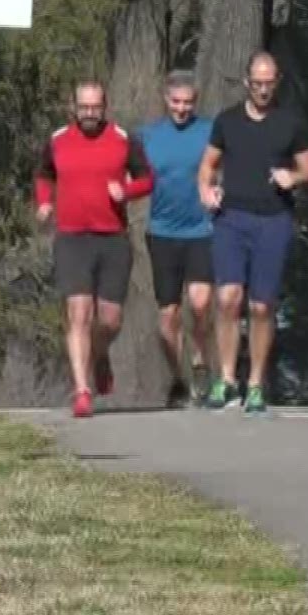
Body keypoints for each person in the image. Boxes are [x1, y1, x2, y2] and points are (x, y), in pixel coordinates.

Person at [196, 51, 308, 415]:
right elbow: (207, 166)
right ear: (247, 82)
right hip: (231, 218)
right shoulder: (227, 121)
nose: (263, 90)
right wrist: (206, 189)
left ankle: (256, 384)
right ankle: (227, 379)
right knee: (228, 298)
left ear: (276, 82)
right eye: (257, 83)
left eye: (269, 83)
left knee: (262, 306)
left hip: (273, 219)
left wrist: (291, 177)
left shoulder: (290, 123)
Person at [35, 80, 153, 418]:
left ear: (105, 107)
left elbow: (147, 178)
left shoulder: (122, 139)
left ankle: (99, 354)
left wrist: (126, 193)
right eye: (83, 107)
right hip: (71, 239)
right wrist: (44, 203)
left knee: (110, 320)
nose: (89, 114)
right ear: (73, 107)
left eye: (95, 107)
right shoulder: (58, 141)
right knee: (79, 313)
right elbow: (44, 175)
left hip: (112, 239)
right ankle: (82, 391)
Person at [137, 70, 218, 408]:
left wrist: (221, 189)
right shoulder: (147, 136)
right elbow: (126, 172)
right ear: (165, 100)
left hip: (202, 230)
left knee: (200, 304)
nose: (182, 108)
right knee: (168, 313)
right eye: (176, 102)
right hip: (162, 232)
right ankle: (177, 378)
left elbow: (230, 165)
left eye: (188, 103)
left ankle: (200, 363)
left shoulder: (210, 131)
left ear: (195, 102)